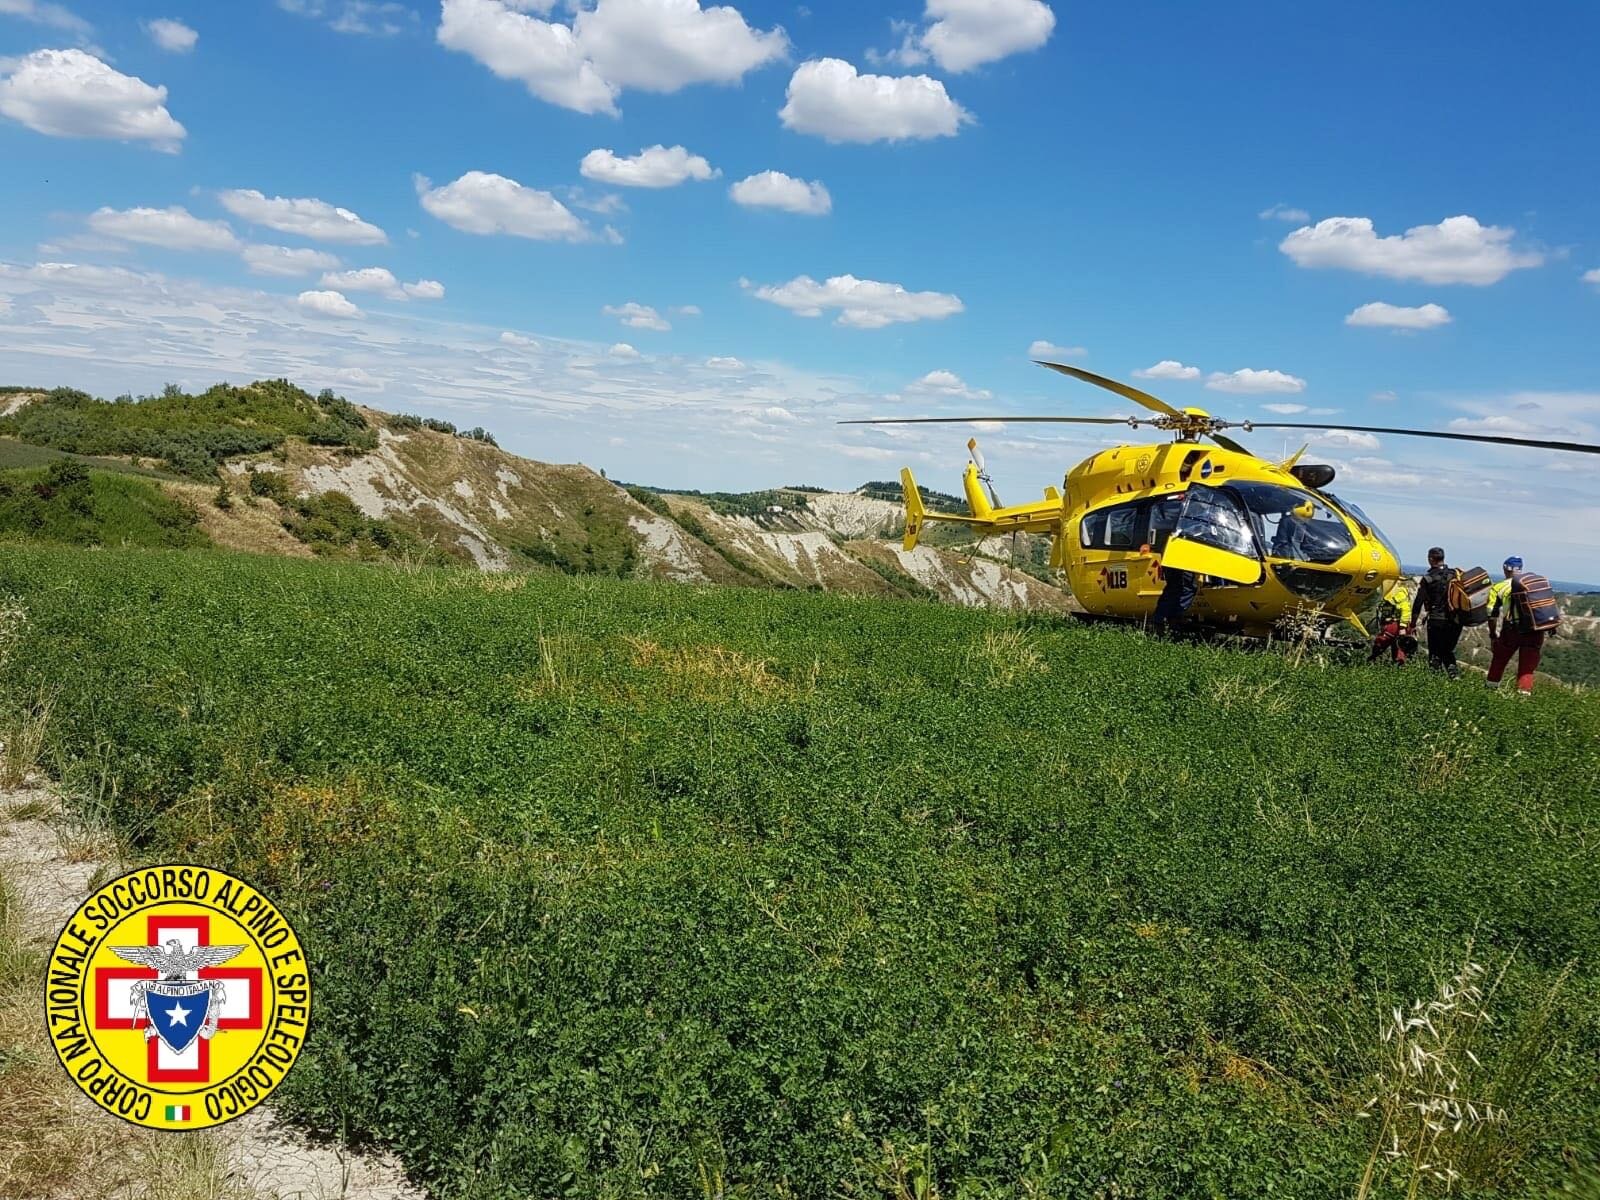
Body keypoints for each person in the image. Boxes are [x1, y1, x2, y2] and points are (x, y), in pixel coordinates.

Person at [1485, 555, 1543, 696]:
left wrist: (1493, 634)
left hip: (1511, 629)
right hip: (1535, 630)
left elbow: (1491, 614)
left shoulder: (1499, 587)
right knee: (1527, 667)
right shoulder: (1532, 585)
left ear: (1505, 569)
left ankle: (1489, 692)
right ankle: (1523, 699)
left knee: (1499, 659)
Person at [1408, 546, 1461, 677]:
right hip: (1456, 620)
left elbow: (1418, 603)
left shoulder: (1428, 578)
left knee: (1435, 652)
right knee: (1448, 651)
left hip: (1437, 620)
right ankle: (1454, 676)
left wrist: (1413, 623)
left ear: (1431, 559)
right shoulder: (1455, 574)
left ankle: (1434, 680)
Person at [1369, 580, 1413, 664]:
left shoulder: (1398, 592)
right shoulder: (1391, 592)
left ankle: (1374, 660)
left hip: (1395, 624)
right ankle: (1394, 664)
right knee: (1395, 646)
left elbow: (1406, 609)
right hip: (1392, 623)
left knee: (1385, 643)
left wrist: (1402, 627)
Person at [1150, 565, 1197, 635]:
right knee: (1184, 588)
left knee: (1175, 588)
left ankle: (1167, 619)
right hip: (1180, 562)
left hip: (1173, 561)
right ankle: (1166, 619)